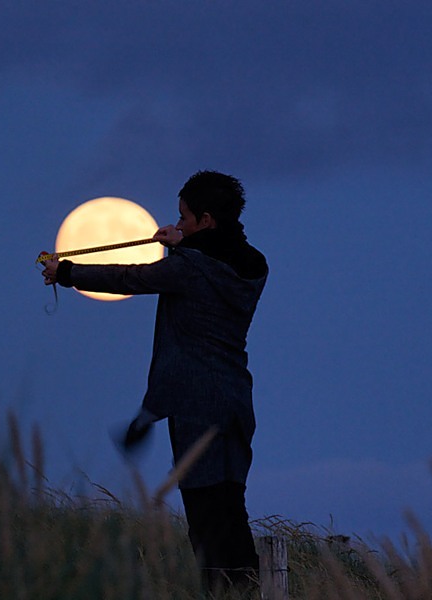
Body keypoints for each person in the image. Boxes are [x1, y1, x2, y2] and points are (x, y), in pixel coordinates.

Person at [40, 170, 268, 594]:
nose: (176, 224)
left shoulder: (189, 269)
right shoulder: (253, 266)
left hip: (196, 404)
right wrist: (187, 245)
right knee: (230, 504)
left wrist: (66, 272)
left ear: (206, 220)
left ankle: (225, 592)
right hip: (236, 399)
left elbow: (129, 278)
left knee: (205, 514)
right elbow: (219, 258)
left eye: (184, 218)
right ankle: (250, 588)